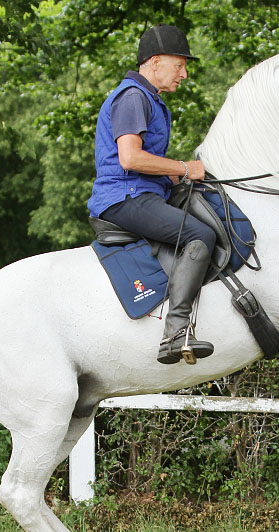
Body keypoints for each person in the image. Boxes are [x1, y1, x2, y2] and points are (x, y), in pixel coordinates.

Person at [88, 24, 216, 365]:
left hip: (144, 194)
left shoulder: (151, 101)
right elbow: (130, 158)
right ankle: (175, 333)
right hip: (124, 198)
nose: (184, 74)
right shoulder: (133, 97)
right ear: (156, 62)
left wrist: (184, 179)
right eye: (180, 65)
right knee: (200, 234)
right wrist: (184, 168)